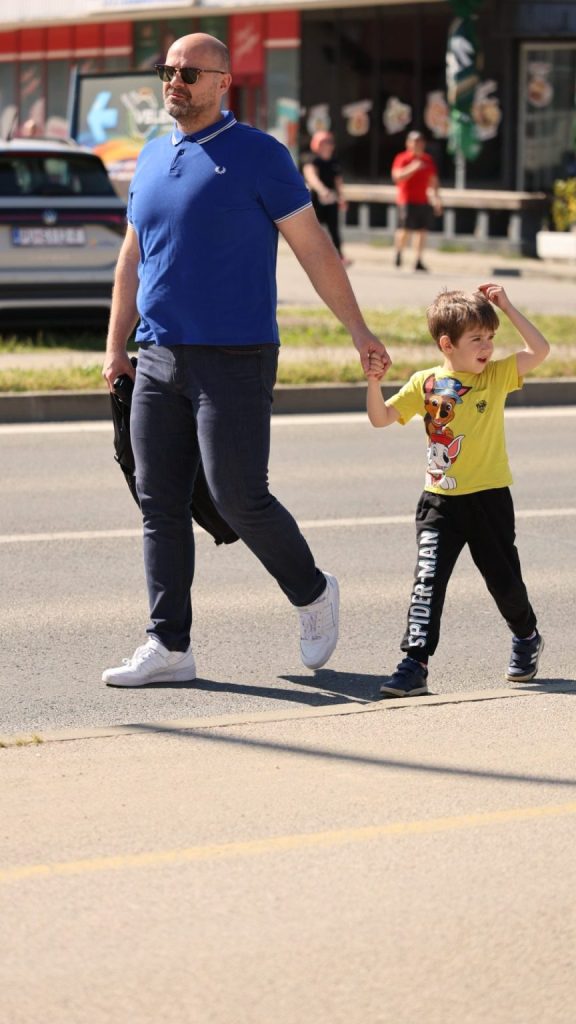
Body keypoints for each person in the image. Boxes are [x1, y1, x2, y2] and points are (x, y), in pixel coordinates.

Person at [101, 32, 390, 688]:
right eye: (168, 71)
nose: (175, 82)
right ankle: (169, 644)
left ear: (223, 82)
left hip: (236, 356)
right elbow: (132, 257)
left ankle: (312, 591)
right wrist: (116, 345)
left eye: (189, 73)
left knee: (238, 496)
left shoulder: (261, 155)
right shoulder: (151, 156)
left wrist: (359, 330)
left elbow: (314, 249)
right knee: (159, 500)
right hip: (158, 355)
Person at [366, 283, 550, 697]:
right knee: (427, 582)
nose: (487, 347)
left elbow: (540, 350)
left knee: (503, 581)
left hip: (489, 499)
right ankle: (414, 663)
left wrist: (508, 307)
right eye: (476, 339)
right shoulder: (425, 383)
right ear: (447, 344)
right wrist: (374, 383)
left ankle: (526, 636)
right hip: (440, 502)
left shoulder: (497, 376)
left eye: (490, 337)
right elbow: (381, 418)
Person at [391, 130, 442, 272]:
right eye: (414, 141)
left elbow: (433, 181)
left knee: (421, 231)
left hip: (423, 199)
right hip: (406, 199)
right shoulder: (402, 158)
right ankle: (399, 252)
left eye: (419, 141)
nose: (417, 144)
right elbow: (397, 177)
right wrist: (413, 167)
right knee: (404, 230)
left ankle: (418, 260)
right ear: (408, 143)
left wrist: (437, 199)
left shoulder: (428, 160)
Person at [302, 131, 351, 266]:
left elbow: (338, 181)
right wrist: (322, 190)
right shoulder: (312, 159)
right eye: (324, 143)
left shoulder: (334, 162)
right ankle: (312, 256)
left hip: (331, 199)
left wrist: (341, 197)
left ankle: (339, 256)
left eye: (330, 142)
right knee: (314, 229)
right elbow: (311, 176)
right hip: (315, 200)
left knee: (334, 228)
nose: (328, 146)